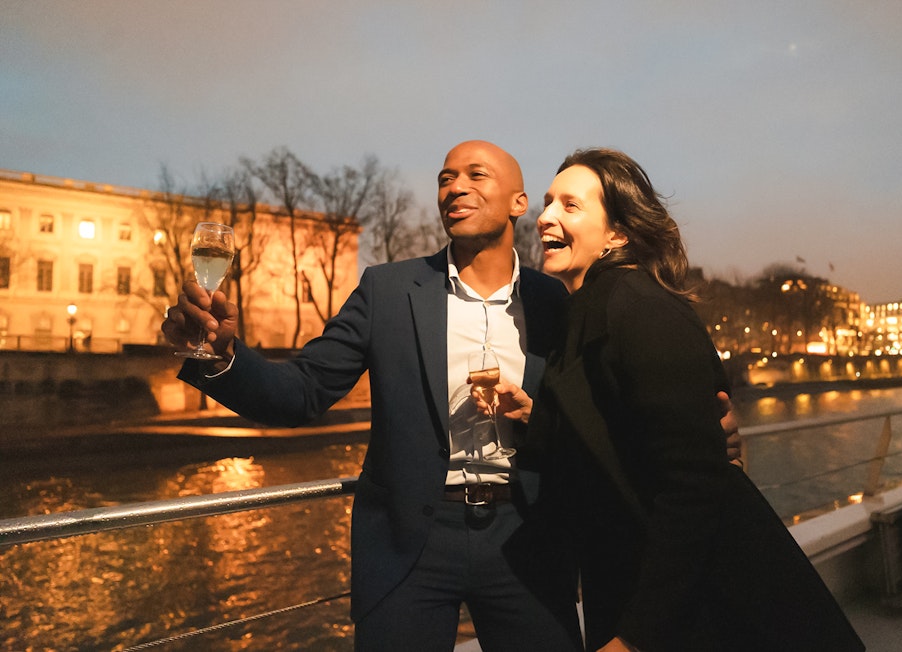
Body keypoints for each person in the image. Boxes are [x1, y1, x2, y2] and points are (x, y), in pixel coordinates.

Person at [162, 140, 740, 651]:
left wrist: (712, 430)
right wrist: (218, 356)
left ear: (519, 203)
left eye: (476, 174)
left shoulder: (560, 301)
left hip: (532, 539)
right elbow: (302, 392)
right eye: (445, 177)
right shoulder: (386, 291)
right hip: (410, 545)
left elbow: (623, 407)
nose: (455, 186)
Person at [480, 148, 865, 651]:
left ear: (618, 233)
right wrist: (540, 416)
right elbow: (619, 438)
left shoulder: (640, 310)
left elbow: (692, 488)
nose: (545, 216)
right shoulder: (593, 311)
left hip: (704, 601)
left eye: (570, 206)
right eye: (549, 202)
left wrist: (636, 637)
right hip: (651, 583)